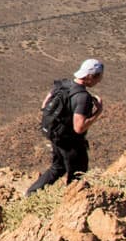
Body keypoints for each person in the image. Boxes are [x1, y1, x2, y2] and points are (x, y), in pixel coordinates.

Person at [25, 58, 104, 196]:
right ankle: (72, 201)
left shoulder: (62, 85)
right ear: (91, 77)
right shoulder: (82, 97)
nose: (99, 81)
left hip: (55, 135)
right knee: (78, 172)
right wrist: (98, 112)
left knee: (58, 167)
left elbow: (44, 106)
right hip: (70, 142)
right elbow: (79, 128)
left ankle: (31, 194)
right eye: (99, 77)